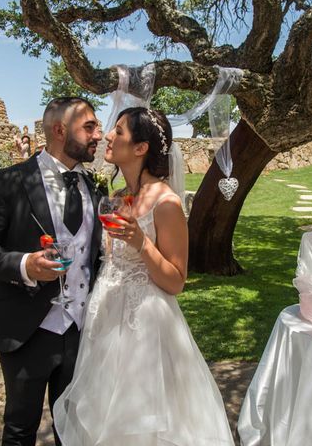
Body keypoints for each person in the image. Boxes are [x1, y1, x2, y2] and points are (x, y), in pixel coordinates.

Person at [53, 107, 235, 445]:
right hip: (104, 322)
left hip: (145, 329)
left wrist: (142, 243)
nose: (108, 135)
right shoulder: (116, 198)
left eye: (118, 131)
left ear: (140, 148)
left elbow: (176, 280)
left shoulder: (165, 203)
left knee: (141, 422)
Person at [0, 97, 104, 445]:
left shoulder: (96, 188)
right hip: (26, 328)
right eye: (89, 127)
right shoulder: (8, 182)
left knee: (73, 429)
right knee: (20, 427)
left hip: (81, 329)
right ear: (59, 130)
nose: (99, 134)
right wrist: (25, 264)